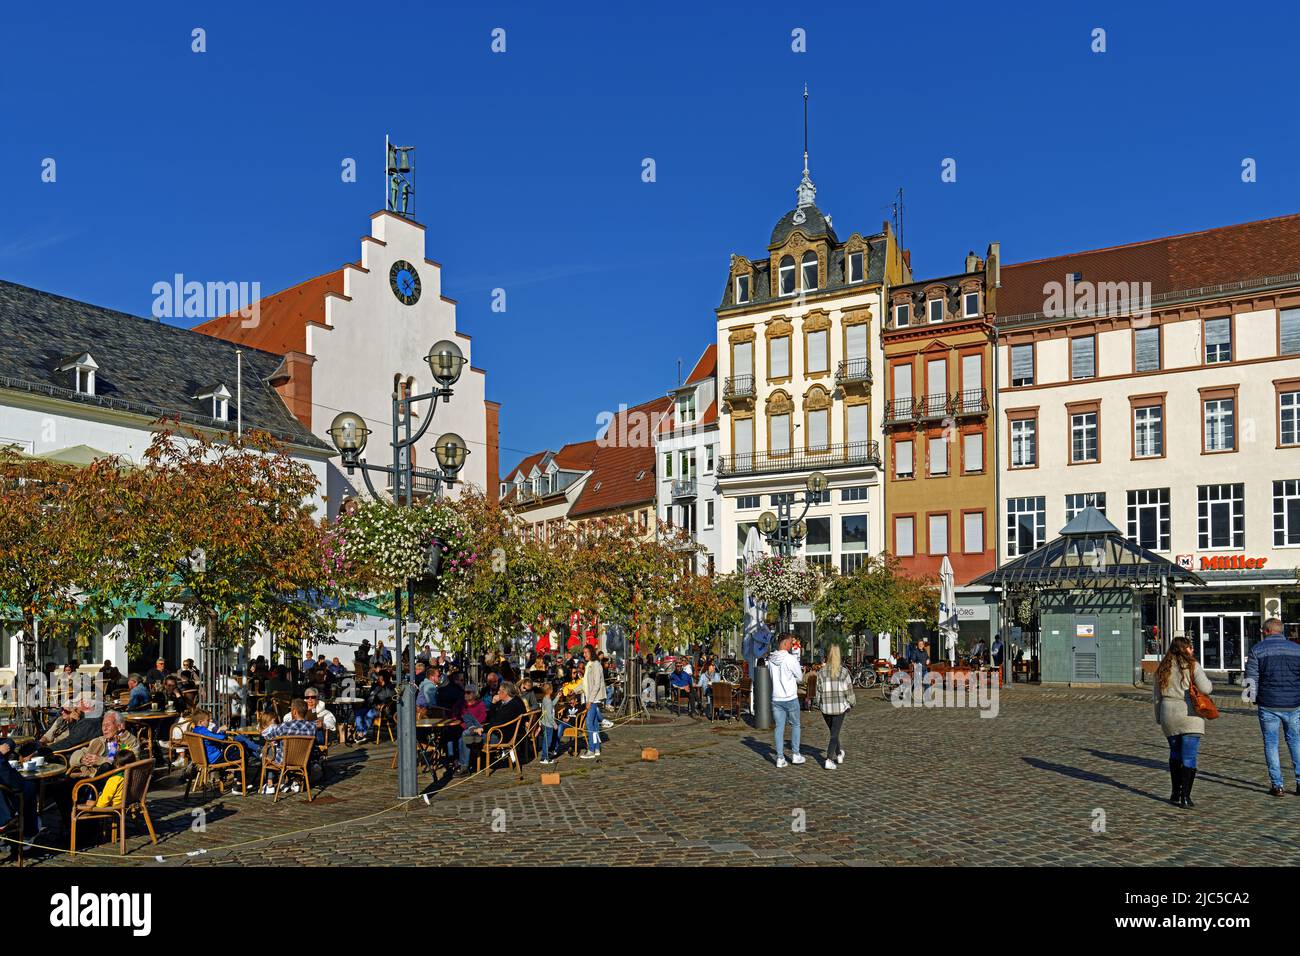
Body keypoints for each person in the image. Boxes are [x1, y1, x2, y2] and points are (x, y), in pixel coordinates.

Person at [1154, 635, 1214, 808]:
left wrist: (1159, 717)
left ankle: (1175, 791)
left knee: (1175, 753)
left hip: (1169, 714)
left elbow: (1157, 697)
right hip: (1190, 715)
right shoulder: (1193, 666)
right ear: (1184, 649)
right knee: (1189, 756)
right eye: (1190, 647)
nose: (1192, 650)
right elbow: (1206, 688)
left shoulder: (1162, 668)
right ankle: (1185, 797)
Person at [1243, 616, 1300, 796]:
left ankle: (1277, 785)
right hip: (1294, 703)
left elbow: (1252, 676)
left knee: (1271, 743)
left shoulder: (1257, 650)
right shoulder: (1297, 650)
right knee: (1296, 742)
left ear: (1267, 631)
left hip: (1268, 703)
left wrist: (1250, 698)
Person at [812, 644, 855, 769]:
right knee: (834, 734)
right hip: (839, 707)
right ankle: (829, 759)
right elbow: (849, 691)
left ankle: (839, 752)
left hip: (825, 708)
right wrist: (852, 703)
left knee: (833, 732)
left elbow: (818, 691)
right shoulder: (844, 672)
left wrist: (819, 703)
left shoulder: (821, 672)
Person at [68, 711, 142, 777]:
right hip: (87, 777)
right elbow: (74, 757)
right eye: (103, 725)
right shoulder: (99, 741)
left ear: (120, 726)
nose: (104, 728)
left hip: (107, 783)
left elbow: (130, 763)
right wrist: (81, 759)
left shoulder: (129, 741)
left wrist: (101, 760)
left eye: (108, 725)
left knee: (106, 766)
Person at [769, 633, 805, 767]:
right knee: (795, 725)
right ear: (784, 643)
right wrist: (792, 679)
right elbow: (800, 677)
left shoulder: (771, 659)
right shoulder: (790, 659)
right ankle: (795, 754)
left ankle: (780, 757)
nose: (791, 645)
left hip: (776, 697)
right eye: (790, 643)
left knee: (779, 727)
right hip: (790, 696)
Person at [452, 686, 488, 773]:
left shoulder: (480, 704)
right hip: (460, 727)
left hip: (475, 730)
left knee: (462, 739)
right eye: (465, 692)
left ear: (474, 694)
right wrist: (461, 723)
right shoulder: (460, 704)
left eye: (468, 692)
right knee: (450, 737)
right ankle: (454, 760)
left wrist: (469, 726)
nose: (466, 694)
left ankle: (463, 766)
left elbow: (482, 719)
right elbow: (454, 715)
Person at [580, 646, 605, 759]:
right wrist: (573, 690)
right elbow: (585, 683)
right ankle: (596, 748)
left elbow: (596, 684)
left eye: (586, 653)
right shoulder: (589, 664)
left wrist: (590, 700)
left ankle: (590, 749)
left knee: (589, 724)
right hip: (590, 697)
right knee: (594, 724)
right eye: (583, 653)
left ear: (591, 653)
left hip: (593, 698)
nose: (584, 655)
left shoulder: (596, 665)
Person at [355, 671, 394, 741]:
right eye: (379, 676)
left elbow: (390, 698)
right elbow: (369, 695)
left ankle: (362, 734)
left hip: (381, 709)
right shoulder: (375, 685)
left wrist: (381, 704)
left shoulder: (389, 686)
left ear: (384, 677)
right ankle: (359, 732)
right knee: (359, 713)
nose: (378, 677)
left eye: (380, 676)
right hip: (369, 706)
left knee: (369, 714)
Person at [538, 682, 559, 764]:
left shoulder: (546, 699)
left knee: (546, 741)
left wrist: (557, 697)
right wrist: (554, 724)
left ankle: (545, 756)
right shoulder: (548, 701)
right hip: (548, 725)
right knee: (547, 742)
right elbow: (549, 716)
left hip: (545, 723)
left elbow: (551, 705)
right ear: (550, 690)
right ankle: (544, 758)